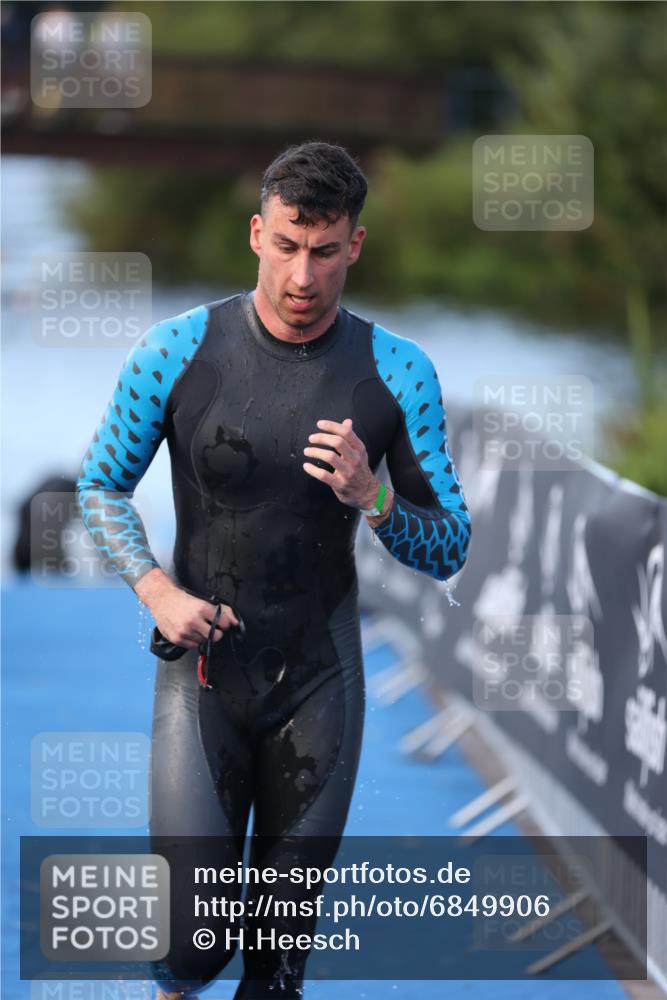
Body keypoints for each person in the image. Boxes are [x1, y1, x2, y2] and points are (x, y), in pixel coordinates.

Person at [76, 141, 471, 999]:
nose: (303, 275)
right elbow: (101, 485)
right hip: (204, 676)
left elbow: (449, 546)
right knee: (189, 949)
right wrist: (155, 590)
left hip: (319, 683)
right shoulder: (174, 351)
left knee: (276, 964)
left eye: (325, 251)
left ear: (353, 248)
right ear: (257, 232)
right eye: (288, 245)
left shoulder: (399, 373)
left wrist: (374, 497)